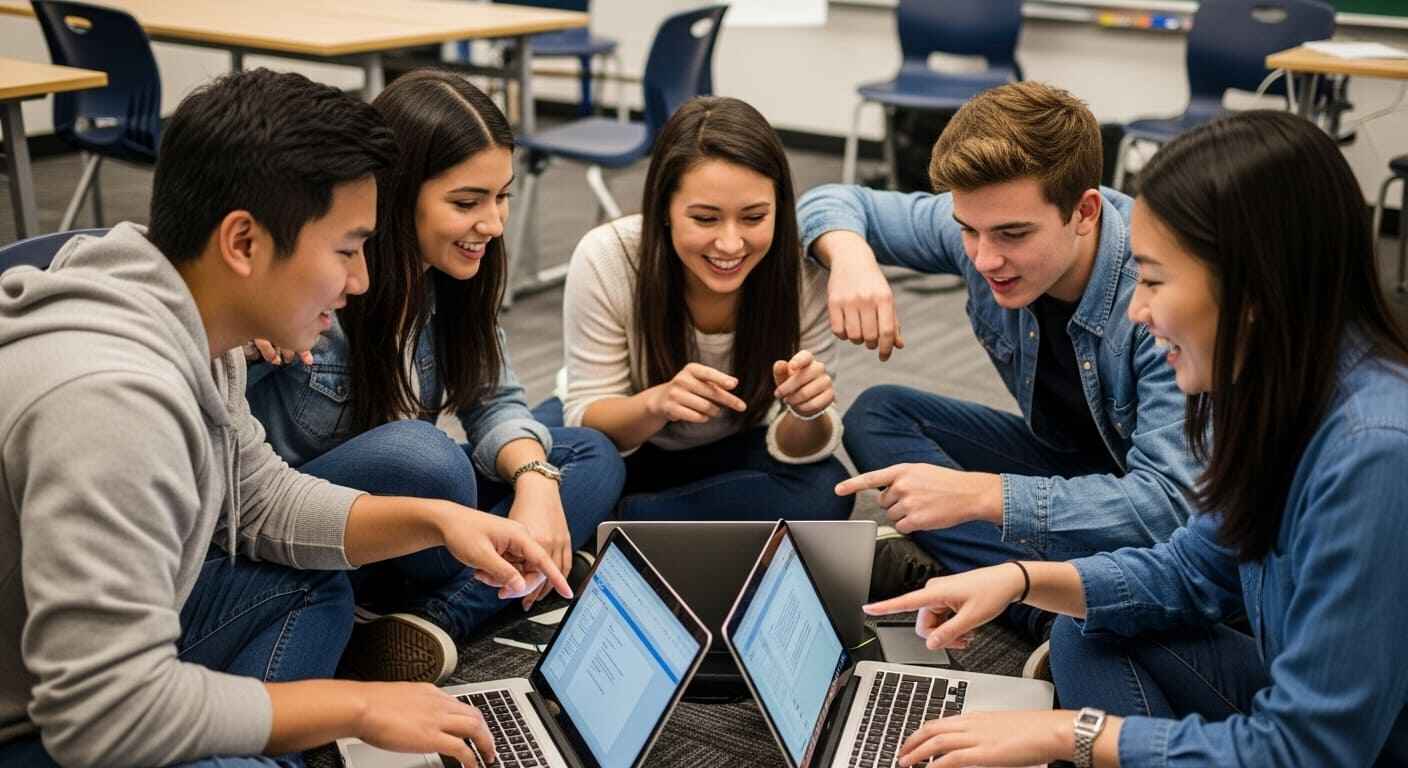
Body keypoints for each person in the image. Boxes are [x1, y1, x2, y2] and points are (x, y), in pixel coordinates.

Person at [0, 69, 569, 768]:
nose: (361, 279)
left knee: (317, 584)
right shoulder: (113, 404)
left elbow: (265, 500)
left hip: (82, 674)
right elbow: (103, 718)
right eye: (346, 250)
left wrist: (439, 521)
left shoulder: (185, 325)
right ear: (243, 243)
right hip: (37, 727)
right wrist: (359, 706)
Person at [865, 110, 1408, 767]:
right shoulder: (1276, 388)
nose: (1138, 308)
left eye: (1152, 280)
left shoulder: (1375, 450)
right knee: (1087, 629)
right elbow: (1194, 569)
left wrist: (1071, 734)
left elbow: (1309, 749)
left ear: (1252, 289)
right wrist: (1016, 579)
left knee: (1085, 682)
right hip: (1300, 692)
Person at [245, 70, 624, 681]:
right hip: (317, 533)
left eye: (501, 197)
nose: (494, 224)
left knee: (590, 453)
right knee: (426, 458)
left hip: (417, 533)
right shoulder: (310, 284)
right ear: (396, 194)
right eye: (467, 202)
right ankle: (516, 572)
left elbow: (495, 399)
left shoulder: (450, 280)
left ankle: (434, 617)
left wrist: (534, 482)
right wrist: (245, 332)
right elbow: (220, 453)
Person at [800, 82, 1199, 639]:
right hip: (1064, 461)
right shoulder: (988, 218)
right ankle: (1038, 595)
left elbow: (1169, 506)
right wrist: (851, 257)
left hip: (1143, 499)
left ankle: (1024, 591)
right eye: (968, 230)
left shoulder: (1160, 295)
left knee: (1151, 540)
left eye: (1013, 234)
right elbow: (829, 201)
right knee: (879, 413)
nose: (987, 258)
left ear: (1084, 211)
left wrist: (986, 497)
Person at [538, 95, 851, 521]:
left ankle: (614, 527)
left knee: (825, 488)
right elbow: (588, 417)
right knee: (558, 464)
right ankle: (641, 527)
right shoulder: (609, 255)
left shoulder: (803, 271)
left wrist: (807, 411)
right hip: (620, 442)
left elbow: (796, 446)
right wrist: (657, 403)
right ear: (664, 209)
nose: (730, 244)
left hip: (733, 448)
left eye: (754, 217)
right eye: (704, 219)